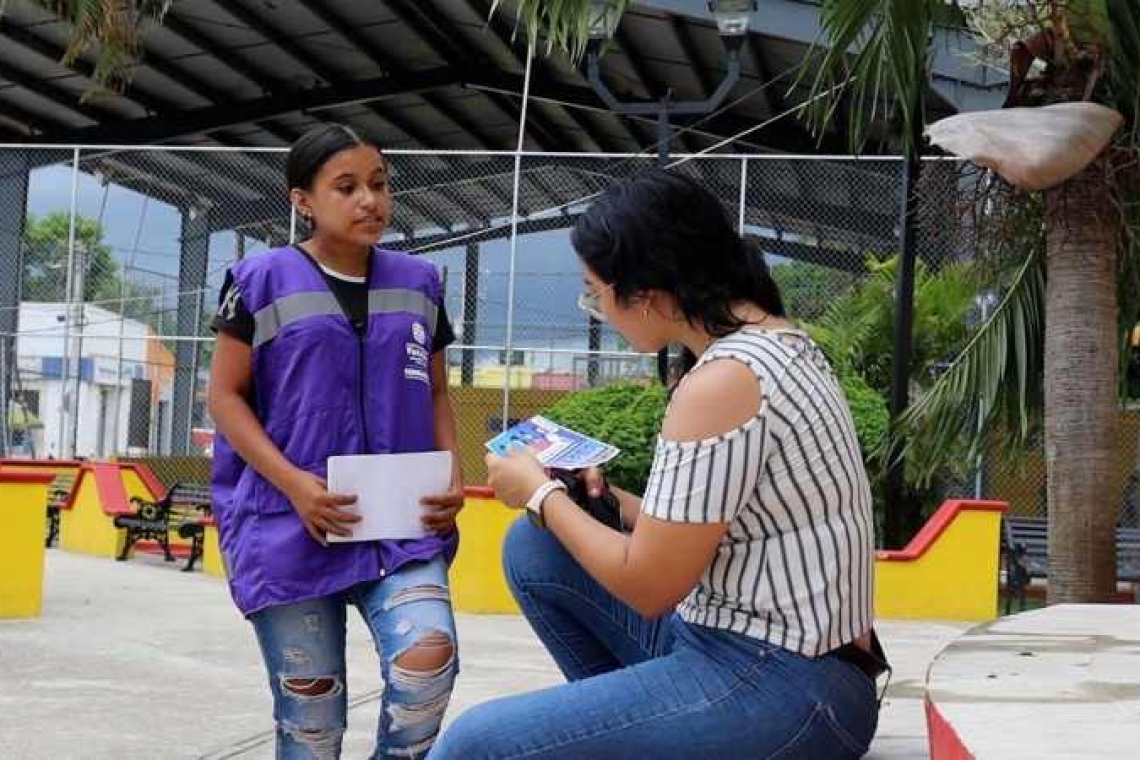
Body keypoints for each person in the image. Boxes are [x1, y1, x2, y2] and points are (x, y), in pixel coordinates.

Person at [430, 170, 884, 760]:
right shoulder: (780, 343)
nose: (597, 309)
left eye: (596, 292)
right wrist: (606, 499)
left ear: (645, 291)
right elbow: (711, 529)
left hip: (788, 684)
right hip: (766, 652)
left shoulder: (722, 382)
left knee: (475, 744)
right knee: (535, 547)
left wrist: (542, 496)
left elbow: (649, 585)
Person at [209, 124, 464, 760]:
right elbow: (224, 398)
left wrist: (452, 475)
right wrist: (296, 485)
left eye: (378, 184)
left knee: (427, 663)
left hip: (400, 523)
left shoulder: (420, 283)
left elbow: (435, 393)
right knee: (310, 714)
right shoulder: (260, 279)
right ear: (303, 201)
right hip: (288, 522)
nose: (369, 201)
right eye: (346, 187)